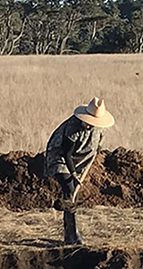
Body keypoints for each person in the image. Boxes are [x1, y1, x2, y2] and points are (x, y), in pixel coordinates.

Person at [44, 97, 114, 245]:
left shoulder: (98, 130)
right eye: (88, 122)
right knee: (70, 191)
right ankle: (73, 235)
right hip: (60, 157)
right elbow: (66, 153)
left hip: (79, 161)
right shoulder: (73, 127)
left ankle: (68, 236)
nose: (89, 126)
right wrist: (74, 174)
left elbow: (96, 148)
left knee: (70, 196)